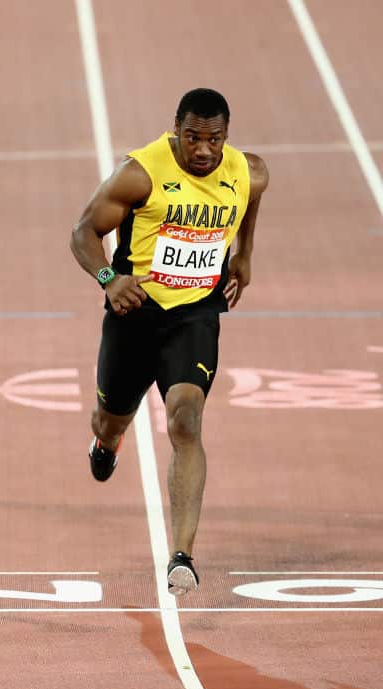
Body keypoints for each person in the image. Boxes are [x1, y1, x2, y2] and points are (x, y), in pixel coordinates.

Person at [70, 88, 268, 595]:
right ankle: (106, 441)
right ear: (175, 130)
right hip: (135, 312)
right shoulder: (141, 173)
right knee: (111, 416)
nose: (203, 150)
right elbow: (83, 232)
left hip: (195, 315)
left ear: (227, 136)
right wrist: (110, 279)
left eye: (214, 139)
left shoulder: (249, 171)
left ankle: (182, 554)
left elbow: (250, 203)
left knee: (186, 417)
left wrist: (243, 255)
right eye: (193, 137)